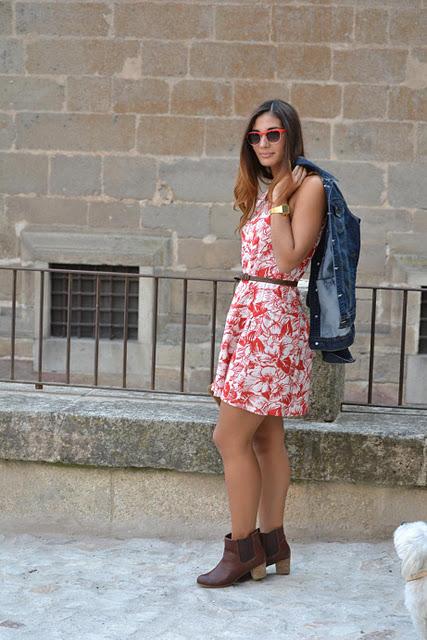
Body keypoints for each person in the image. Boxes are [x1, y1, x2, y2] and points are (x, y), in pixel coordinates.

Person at [197, 99, 327, 588]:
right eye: (256, 137)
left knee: (228, 438)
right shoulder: (269, 187)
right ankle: (273, 545)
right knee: (266, 439)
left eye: (273, 135)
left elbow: (291, 258)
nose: (264, 144)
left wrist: (278, 204)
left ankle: (241, 548)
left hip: (272, 318)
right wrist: (272, 198)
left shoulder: (306, 186)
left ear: (290, 135)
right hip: (253, 314)